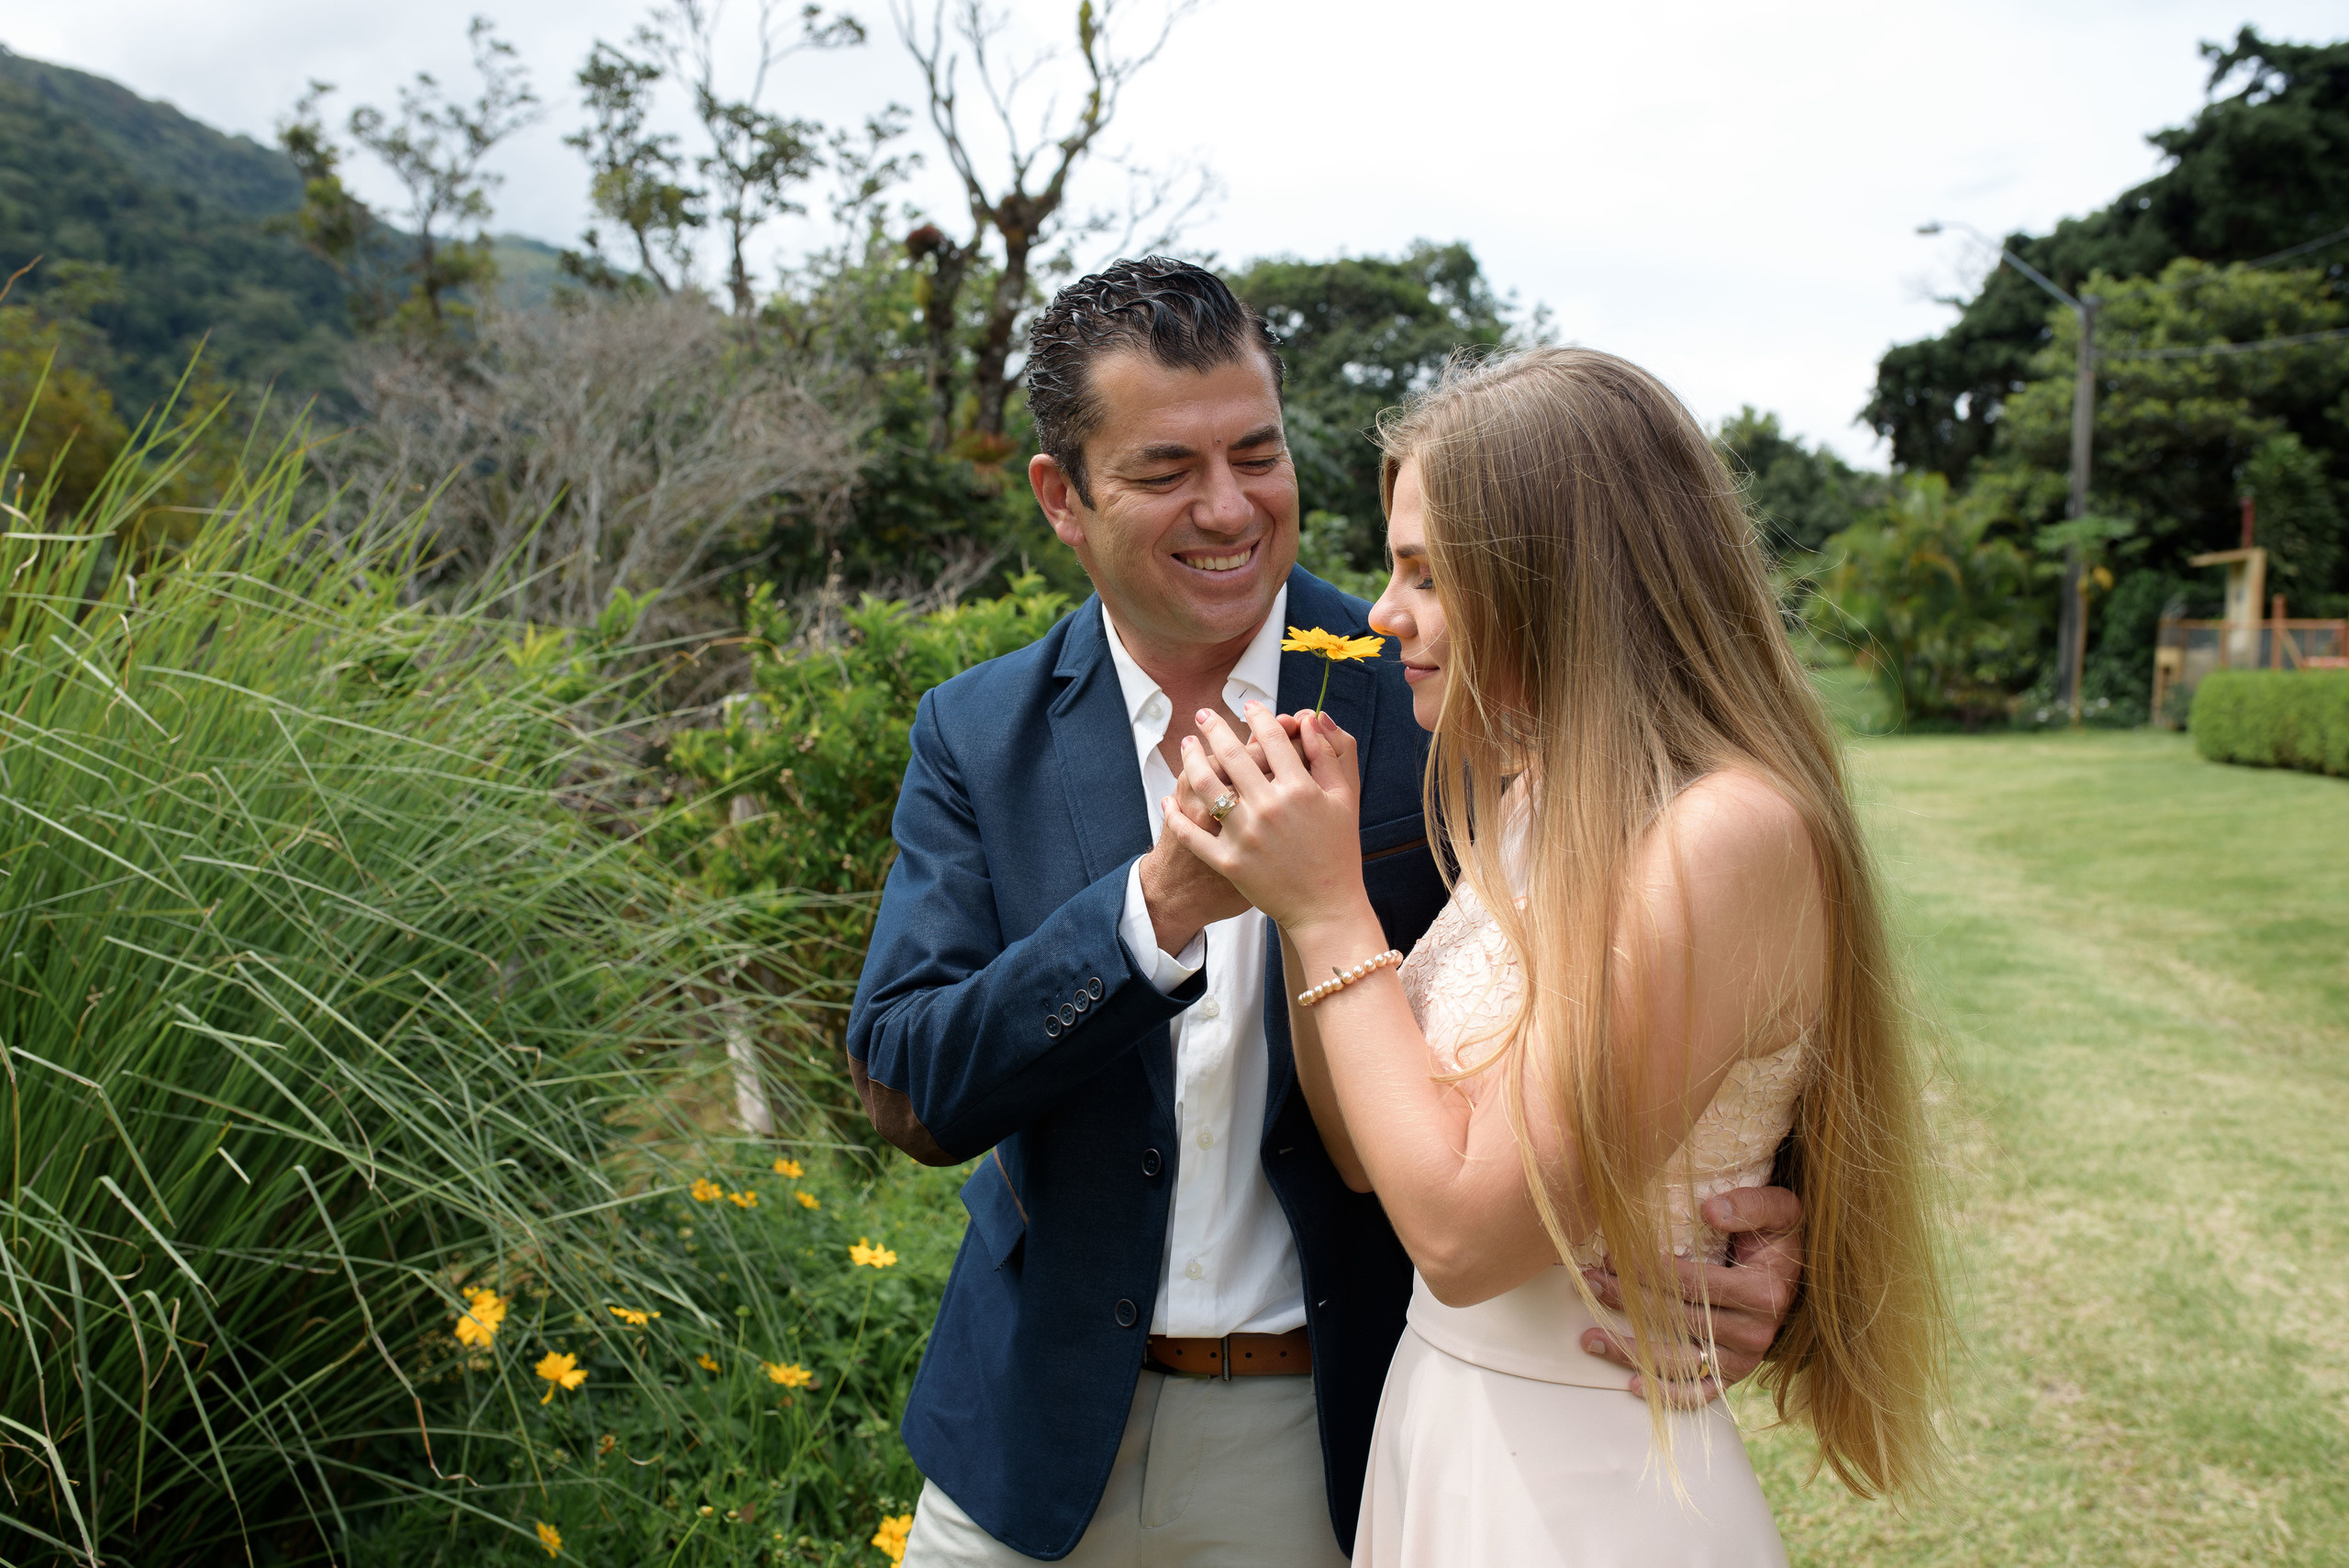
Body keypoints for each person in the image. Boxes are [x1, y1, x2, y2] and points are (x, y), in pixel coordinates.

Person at [845, 261, 1809, 1567]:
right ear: (1061, 497)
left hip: (1335, 1438)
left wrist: (1762, 1238)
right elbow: (911, 1084)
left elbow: (1685, 1005)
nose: (1230, 507)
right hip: (1028, 1438)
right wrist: (1159, 905)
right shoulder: (975, 731)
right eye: (1168, 469)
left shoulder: (1452, 700)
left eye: (1258, 451)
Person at [1161, 345, 1949, 1565]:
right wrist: (1291, 882)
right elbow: (1371, 1154)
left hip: (1585, 1490)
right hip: (1449, 1433)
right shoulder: (1541, 800)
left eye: (1426, 572)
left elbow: (1468, 1237)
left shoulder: (1721, 834)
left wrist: (1327, 912)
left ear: (1556, 581)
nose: (1381, 612)